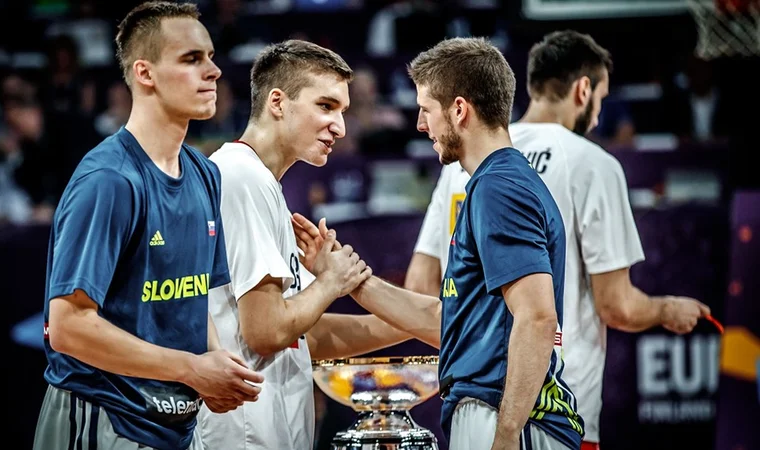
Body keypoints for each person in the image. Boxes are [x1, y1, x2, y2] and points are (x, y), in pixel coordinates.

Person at [403, 30, 711, 449]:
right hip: (546, 402)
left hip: (514, 405)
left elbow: (424, 285)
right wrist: (668, 308)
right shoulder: (589, 163)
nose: (598, 116)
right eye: (600, 100)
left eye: (425, 111)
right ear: (583, 90)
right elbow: (616, 305)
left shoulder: (463, 169)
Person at [293, 37, 583, 450]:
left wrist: (505, 436)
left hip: (503, 416)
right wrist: (351, 281)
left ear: (459, 110)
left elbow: (537, 319)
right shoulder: (494, 183)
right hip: (496, 410)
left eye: (426, 110)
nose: (420, 124)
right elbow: (450, 321)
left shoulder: (499, 187)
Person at [33, 3, 264, 450]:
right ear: (145, 73)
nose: (214, 71)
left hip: (175, 425)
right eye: (192, 59)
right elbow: (68, 327)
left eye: (212, 57)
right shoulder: (109, 180)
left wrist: (214, 362)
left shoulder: (203, 173)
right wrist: (189, 369)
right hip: (102, 416)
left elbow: (193, 299)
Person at [197, 40, 414, 450]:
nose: (340, 127)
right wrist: (330, 283)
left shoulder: (261, 183)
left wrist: (410, 322)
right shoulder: (243, 180)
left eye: (343, 112)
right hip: (244, 435)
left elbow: (300, 337)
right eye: (326, 107)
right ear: (278, 102)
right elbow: (266, 332)